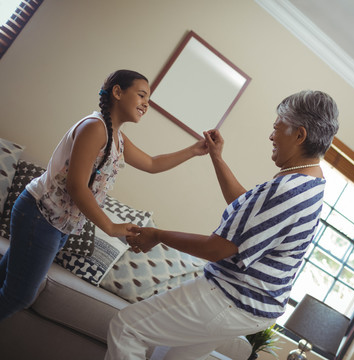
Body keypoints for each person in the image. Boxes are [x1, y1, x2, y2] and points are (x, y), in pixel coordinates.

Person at [105, 90, 340, 360]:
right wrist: (217, 158)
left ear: (300, 135)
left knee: (126, 329)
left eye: (277, 128)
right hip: (251, 306)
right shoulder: (310, 183)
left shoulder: (287, 189)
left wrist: (157, 234)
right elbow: (246, 209)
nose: (271, 136)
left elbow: (217, 249)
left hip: (231, 297)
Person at [0, 69, 208, 321]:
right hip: (39, 215)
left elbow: (152, 164)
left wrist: (194, 150)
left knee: (6, 280)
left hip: (55, 223)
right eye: (142, 95)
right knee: (19, 296)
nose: (146, 104)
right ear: (118, 92)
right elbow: (77, 186)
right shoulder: (94, 127)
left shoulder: (117, 137)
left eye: (149, 100)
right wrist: (111, 227)